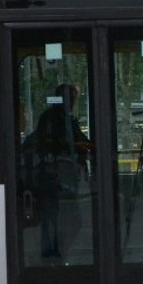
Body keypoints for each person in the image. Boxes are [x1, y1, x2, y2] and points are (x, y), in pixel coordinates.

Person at [30, 84, 88, 258]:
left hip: (51, 171)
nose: (73, 102)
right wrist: (86, 147)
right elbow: (66, 142)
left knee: (52, 214)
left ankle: (52, 249)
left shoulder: (51, 117)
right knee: (65, 215)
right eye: (72, 98)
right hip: (58, 172)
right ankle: (55, 249)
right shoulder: (60, 119)